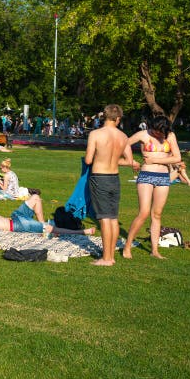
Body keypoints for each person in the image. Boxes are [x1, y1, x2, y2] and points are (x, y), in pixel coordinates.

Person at [123, 115, 182, 260]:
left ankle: (154, 250)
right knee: (143, 212)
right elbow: (123, 144)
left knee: (157, 214)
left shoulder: (171, 136)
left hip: (163, 178)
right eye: (155, 131)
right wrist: (131, 161)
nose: (158, 134)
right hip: (146, 176)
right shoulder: (143, 134)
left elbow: (177, 158)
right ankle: (127, 247)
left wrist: (155, 159)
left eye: (161, 132)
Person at [85, 104, 137, 266]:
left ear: (104, 116)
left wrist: (100, 159)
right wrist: (114, 160)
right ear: (118, 118)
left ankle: (107, 258)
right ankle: (110, 255)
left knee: (104, 219)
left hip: (100, 177)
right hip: (115, 178)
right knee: (113, 218)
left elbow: (88, 159)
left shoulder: (95, 134)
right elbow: (129, 161)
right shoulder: (123, 137)